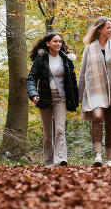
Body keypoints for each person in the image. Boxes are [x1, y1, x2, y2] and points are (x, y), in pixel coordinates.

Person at [77, 16, 111, 167]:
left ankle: (108, 159)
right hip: (95, 91)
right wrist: (79, 96)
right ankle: (98, 156)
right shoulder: (89, 48)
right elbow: (82, 72)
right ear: (100, 28)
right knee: (98, 117)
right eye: (108, 27)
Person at [26, 32, 79, 167]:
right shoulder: (40, 60)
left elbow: (73, 81)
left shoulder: (66, 60)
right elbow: (31, 78)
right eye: (55, 41)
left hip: (60, 98)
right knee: (48, 133)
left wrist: (75, 100)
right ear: (48, 43)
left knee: (60, 128)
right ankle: (49, 162)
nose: (58, 44)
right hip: (44, 97)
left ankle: (61, 159)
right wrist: (33, 94)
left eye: (60, 42)